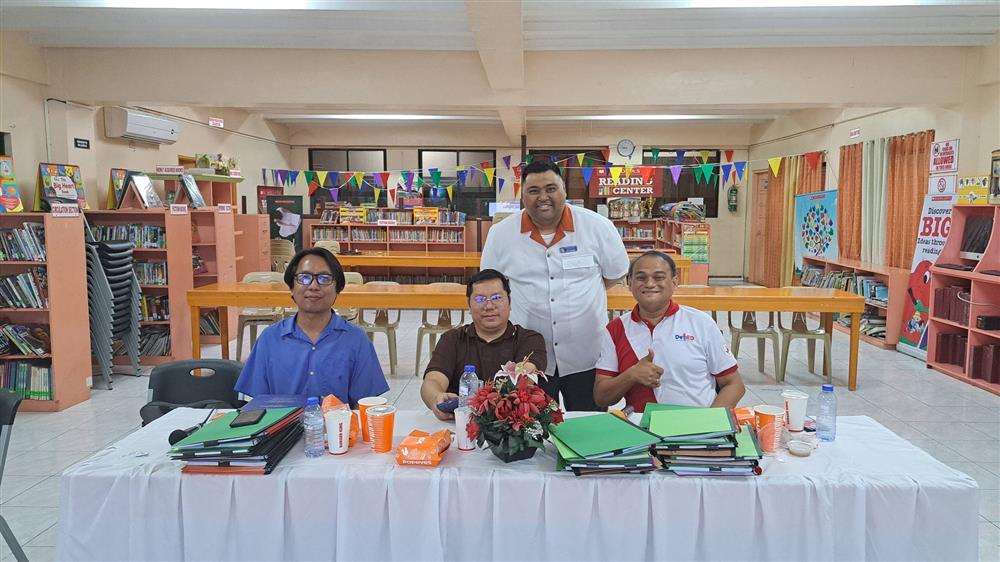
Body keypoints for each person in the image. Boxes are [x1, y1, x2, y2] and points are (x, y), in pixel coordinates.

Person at [481, 160, 629, 411]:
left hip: (587, 353)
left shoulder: (597, 227)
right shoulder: (501, 234)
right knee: (531, 426)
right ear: (522, 195)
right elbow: (490, 287)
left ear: (564, 191)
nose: (543, 197)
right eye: (533, 190)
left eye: (551, 189)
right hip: (527, 358)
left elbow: (614, 274)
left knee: (588, 426)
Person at [234, 247, 389, 407]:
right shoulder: (270, 339)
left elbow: (365, 405)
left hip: (337, 423)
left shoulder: (356, 340)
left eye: (324, 278)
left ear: (338, 289)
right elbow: (257, 405)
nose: (313, 286)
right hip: (282, 424)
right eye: (304, 277)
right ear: (291, 287)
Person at [594, 251, 745, 412]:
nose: (649, 284)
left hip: (695, 421)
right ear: (629, 283)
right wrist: (631, 375)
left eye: (659, 277)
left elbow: (734, 385)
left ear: (674, 282)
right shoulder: (616, 329)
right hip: (639, 424)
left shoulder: (701, 323)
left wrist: (707, 421)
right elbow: (601, 397)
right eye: (641, 278)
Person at [420, 269, 547, 420]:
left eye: (497, 298)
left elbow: (524, 377)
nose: (489, 306)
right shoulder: (452, 339)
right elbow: (432, 380)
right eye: (480, 299)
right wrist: (436, 397)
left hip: (511, 424)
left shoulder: (529, 339)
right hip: (459, 425)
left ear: (509, 302)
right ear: (469, 306)